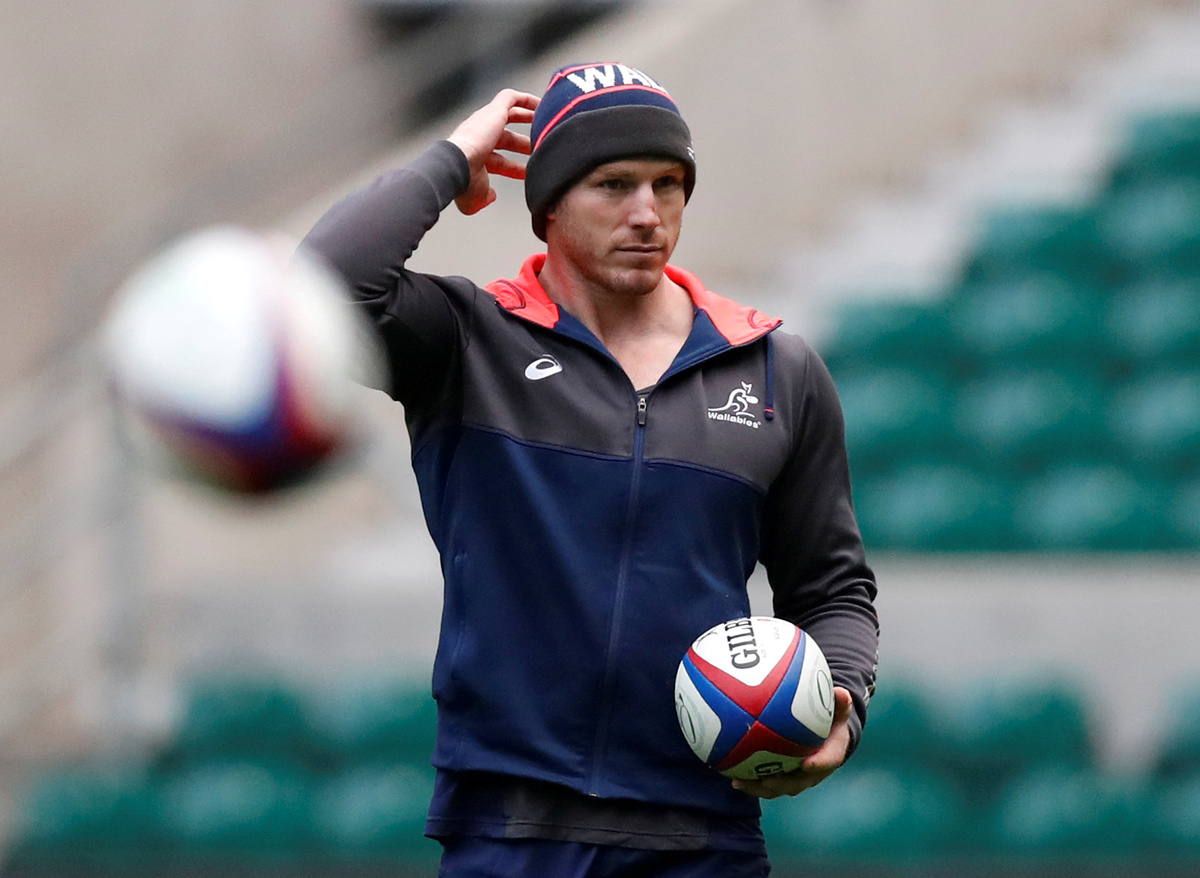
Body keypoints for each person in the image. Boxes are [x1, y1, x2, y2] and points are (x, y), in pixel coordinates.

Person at [301, 62, 879, 878]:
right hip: (507, 827)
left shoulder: (775, 369)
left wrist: (842, 704)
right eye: (613, 184)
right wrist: (451, 160)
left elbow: (832, 587)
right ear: (548, 204)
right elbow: (318, 288)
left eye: (668, 184)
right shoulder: (468, 341)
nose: (647, 213)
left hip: (702, 834)